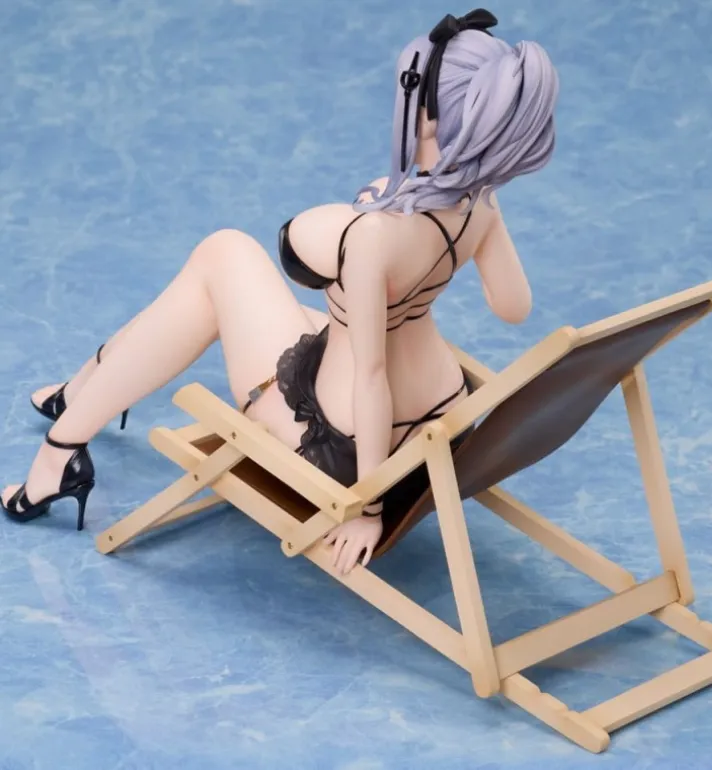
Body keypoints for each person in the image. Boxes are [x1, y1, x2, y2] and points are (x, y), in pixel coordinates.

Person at [1, 9, 559, 575]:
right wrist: (473, 213)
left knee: (221, 256)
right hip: (442, 429)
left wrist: (366, 508)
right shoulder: (480, 206)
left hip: (349, 448)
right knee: (265, 293)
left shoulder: (374, 234)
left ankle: (63, 446)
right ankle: (87, 388)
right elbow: (514, 307)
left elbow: (371, 378)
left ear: (429, 116)